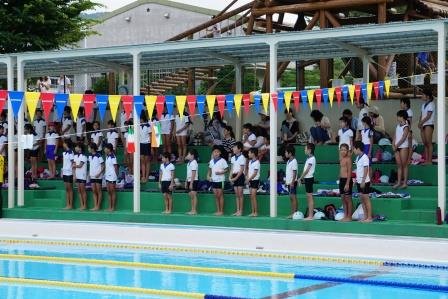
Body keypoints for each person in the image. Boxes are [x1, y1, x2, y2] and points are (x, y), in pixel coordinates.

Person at [353, 141, 372, 222]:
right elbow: (358, 170)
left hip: (364, 181)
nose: (353, 150)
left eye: (354, 148)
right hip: (359, 181)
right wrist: (355, 180)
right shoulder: (357, 158)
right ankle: (365, 216)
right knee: (362, 199)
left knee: (366, 199)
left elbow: (366, 169)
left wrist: (363, 181)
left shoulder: (365, 157)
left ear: (358, 149)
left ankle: (369, 217)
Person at [207, 146, 228, 216]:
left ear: (220, 153)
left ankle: (221, 211)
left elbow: (227, 169)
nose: (216, 153)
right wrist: (208, 176)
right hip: (213, 180)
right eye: (214, 152)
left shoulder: (223, 161)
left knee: (220, 195)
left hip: (220, 180)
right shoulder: (211, 161)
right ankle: (218, 210)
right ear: (212, 153)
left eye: (217, 152)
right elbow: (209, 170)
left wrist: (220, 172)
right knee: (216, 196)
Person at [298, 143, 316, 220]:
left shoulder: (312, 159)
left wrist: (300, 178)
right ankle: (310, 214)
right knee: (308, 197)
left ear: (309, 150)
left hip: (309, 178)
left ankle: (311, 215)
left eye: (305, 149)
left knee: (310, 197)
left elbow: (307, 170)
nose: (304, 150)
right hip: (307, 178)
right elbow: (305, 170)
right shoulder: (308, 158)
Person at [393, 110, 410, 190]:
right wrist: (393, 144)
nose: (397, 118)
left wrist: (396, 145)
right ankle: (399, 182)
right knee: (399, 165)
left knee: (404, 165)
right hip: (397, 147)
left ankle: (405, 182)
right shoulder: (398, 125)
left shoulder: (406, 126)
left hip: (403, 147)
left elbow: (403, 138)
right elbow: (395, 136)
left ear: (402, 117)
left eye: (398, 116)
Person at [418, 89, 435, 165]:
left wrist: (421, 122)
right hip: (423, 124)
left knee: (429, 143)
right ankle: (426, 160)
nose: (421, 96)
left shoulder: (431, 104)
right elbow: (421, 115)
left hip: (428, 124)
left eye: (423, 95)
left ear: (427, 96)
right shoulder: (423, 105)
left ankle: (429, 161)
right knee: (425, 143)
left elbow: (428, 116)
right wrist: (419, 122)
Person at [230, 142, 246, 216]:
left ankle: (241, 211)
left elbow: (242, 169)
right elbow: (232, 168)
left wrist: (236, 178)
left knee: (240, 194)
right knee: (236, 194)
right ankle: (237, 210)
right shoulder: (233, 158)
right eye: (233, 147)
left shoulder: (242, 157)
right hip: (234, 175)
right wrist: (230, 177)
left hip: (240, 176)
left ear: (239, 149)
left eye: (235, 147)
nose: (233, 148)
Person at [339, 143, 353, 221]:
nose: (343, 151)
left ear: (347, 151)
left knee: (348, 199)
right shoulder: (341, 159)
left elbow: (349, 172)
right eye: (342, 150)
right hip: (341, 180)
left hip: (347, 180)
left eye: (345, 150)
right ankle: (345, 215)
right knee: (343, 198)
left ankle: (349, 216)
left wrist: (347, 183)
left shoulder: (348, 159)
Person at [88, 142, 104, 211]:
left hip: (98, 176)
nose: (88, 149)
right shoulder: (89, 156)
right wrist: (89, 174)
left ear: (92, 148)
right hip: (92, 176)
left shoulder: (99, 156)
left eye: (89, 147)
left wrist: (99, 173)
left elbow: (103, 166)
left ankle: (98, 206)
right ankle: (95, 205)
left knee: (99, 191)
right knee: (94, 191)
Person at [284, 145, 298, 219]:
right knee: (291, 198)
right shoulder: (288, 161)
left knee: (293, 197)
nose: (285, 154)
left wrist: (292, 182)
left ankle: (295, 213)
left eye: (286, 152)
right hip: (289, 182)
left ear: (290, 153)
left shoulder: (294, 161)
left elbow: (294, 173)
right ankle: (293, 213)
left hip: (292, 182)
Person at [73, 143, 88, 210]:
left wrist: (74, 166)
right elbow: (74, 167)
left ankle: (85, 205)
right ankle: (81, 205)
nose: (75, 148)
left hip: (82, 175)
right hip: (77, 175)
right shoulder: (75, 156)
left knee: (83, 190)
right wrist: (74, 175)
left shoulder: (84, 156)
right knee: (79, 191)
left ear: (80, 148)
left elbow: (80, 165)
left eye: (76, 146)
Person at [246, 147, 260, 217]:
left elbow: (255, 173)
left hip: (255, 180)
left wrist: (248, 179)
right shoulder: (250, 161)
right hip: (251, 180)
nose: (248, 154)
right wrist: (248, 179)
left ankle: (256, 212)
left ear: (253, 154)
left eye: (249, 153)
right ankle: (252, 211)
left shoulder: (257, 162)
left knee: (253, 196)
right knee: (251, 196)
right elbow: (249, 171)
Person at [104, 143, 118, 211]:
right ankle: (109, 206)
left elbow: (115, 167)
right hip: (107, 176)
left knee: (112, 191)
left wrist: (116, 176)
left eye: (105, 148)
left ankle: (113, 207)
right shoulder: (107, 156)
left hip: (112, 176)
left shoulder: (113, 157)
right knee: (109, 192)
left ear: (109, 149)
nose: (104, 149)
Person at [62, 139, 74, 210]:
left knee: (70, 189)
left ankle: (71, 205)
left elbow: (73, 163)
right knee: (66, 189)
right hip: (65, 172)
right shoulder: (64, 153)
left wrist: (73, 173)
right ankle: (67, 204)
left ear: (66, 144)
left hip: (69, 172)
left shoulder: (70, 152)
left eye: (64, 143)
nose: (63, 144)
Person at [185, 149, 199, 215]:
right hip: (189, 180)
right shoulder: (188, 163)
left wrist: (191, 183)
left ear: (192, 156)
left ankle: (194, 210)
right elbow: (188, 173)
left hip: (193, 180)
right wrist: (186, 181)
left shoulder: (194, 162)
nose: (187, 155)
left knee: (194, 195)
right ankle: (192, 209)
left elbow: (193, 173)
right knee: (191, 196)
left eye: (188, 154)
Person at [400, 97, 414, 163]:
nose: (400, 104)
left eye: (401, 103)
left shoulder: (409, 112)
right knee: (406, 146)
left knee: (409, 146)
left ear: (405, 104)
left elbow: (409, 124)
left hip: (408, 131)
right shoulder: (405, 112)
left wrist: (408, 132)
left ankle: (409, 159)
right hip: (405, 131)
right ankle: (406, 159)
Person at [140, 113, 151, 182]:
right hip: (141, 144)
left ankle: (147, 176)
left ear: (142, 119)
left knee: (147, 162)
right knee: (142, 161)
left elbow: (151, 136)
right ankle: (143, 176)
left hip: (147, 144)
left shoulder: (148, 126)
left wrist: (152, 147)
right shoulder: (139, 126)